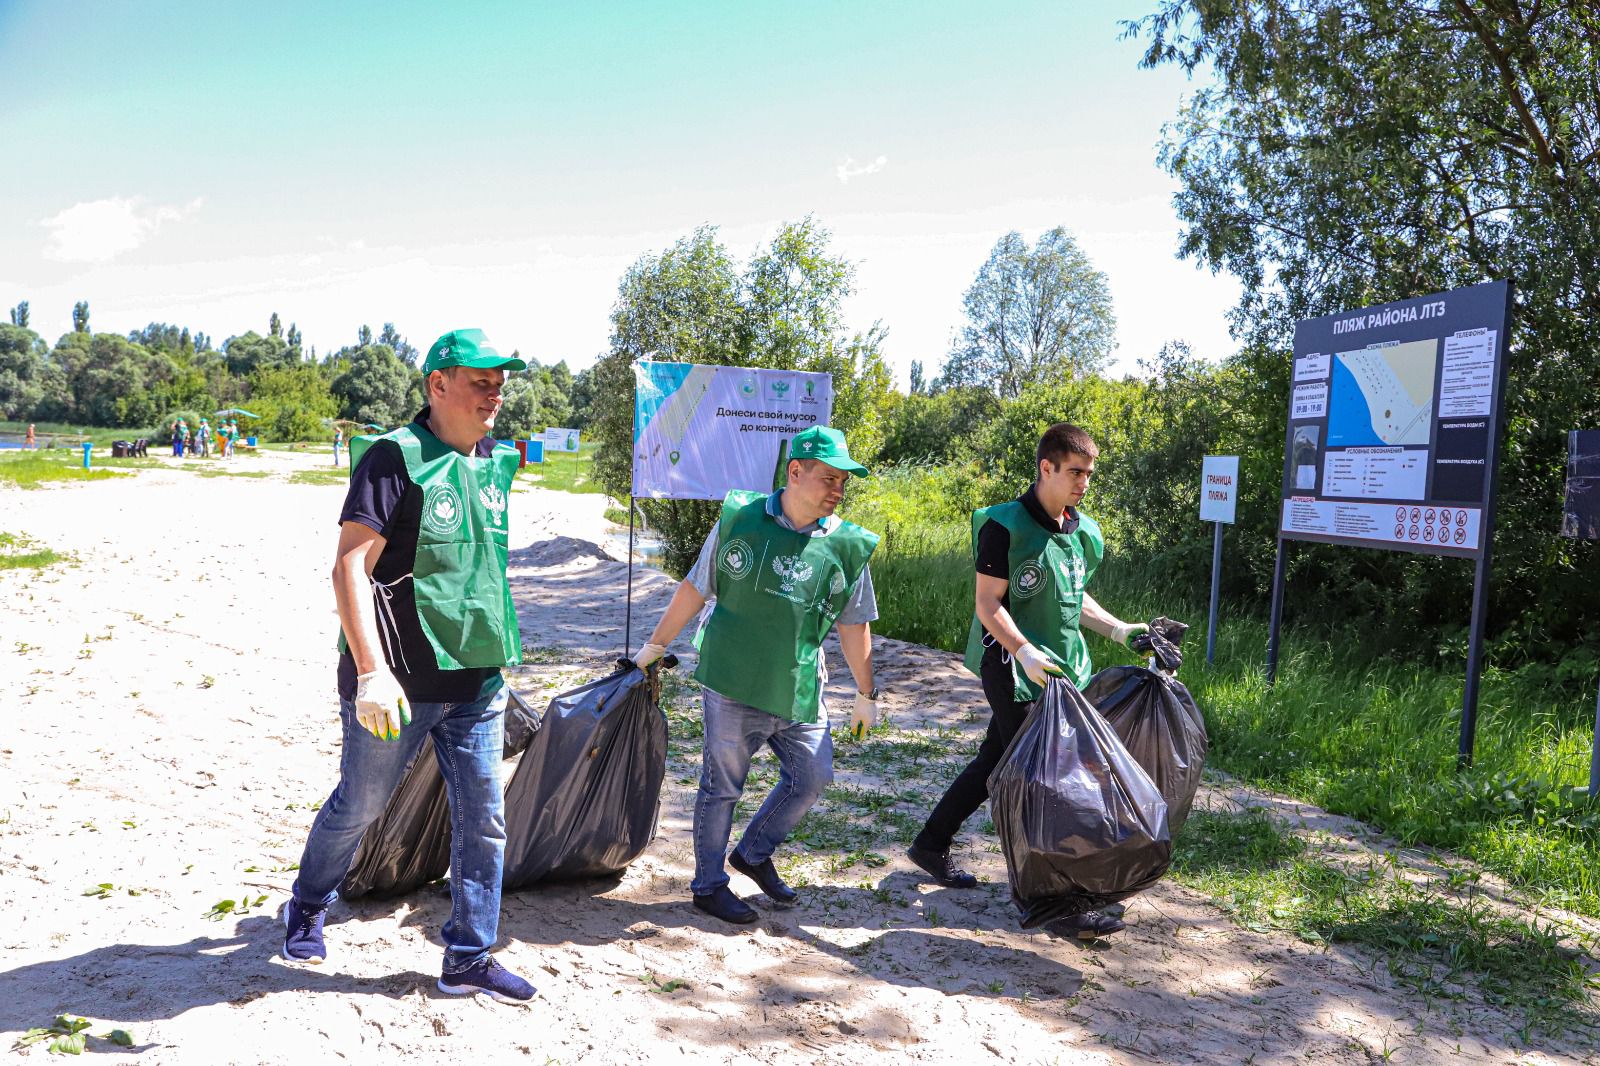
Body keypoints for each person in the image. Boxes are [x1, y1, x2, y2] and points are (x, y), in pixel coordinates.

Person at [280, 328, 538, 1003]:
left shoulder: (494, 461)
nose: (495, 392)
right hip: (395, 685)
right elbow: (349, 567)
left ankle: (469, 956)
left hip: (477, 682)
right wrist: (371, 670)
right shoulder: (396, 459)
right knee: (360, 804)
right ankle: (308, 901)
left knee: (484, 817)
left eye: (499, 381)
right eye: (480, 380)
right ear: (438, 385)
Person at [907, 423, 1150, 941]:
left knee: (1000, 757)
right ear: (1047, 468)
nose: (1084, 482)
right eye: (1076, 472)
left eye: (1090, 473)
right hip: (1010, 665)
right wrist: (1024, 651)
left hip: (1062, 669)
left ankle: (931, 843)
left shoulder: (1080, 530)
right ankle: (1049, 900)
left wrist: (1122, 631)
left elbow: (1073, 596)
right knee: (1043, 776)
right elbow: (988, 604)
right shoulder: (1004, 526)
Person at [632, 425, 881, 925]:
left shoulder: (847, 547)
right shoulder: (739, 519)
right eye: (829, 479)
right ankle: (707, 886)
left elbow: (855, 626)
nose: (838, 491)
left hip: (799, 682)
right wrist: (657, 645)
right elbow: (695, 588)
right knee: (721, 787)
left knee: (812, 776)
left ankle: (753, 852)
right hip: (733, 680)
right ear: (795, 471)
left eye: (844, 482)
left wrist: (867, 692)